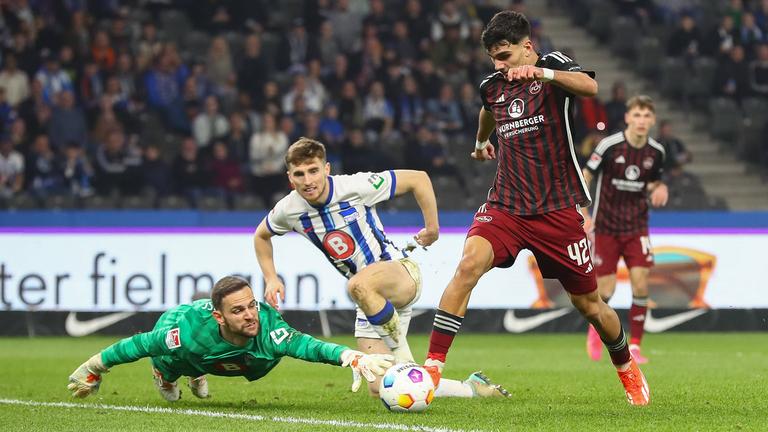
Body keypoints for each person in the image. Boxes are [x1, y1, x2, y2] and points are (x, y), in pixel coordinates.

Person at [421, 10, 650, 406]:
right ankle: (431, 368)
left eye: (505, 56)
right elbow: (487, 110)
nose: (498, 65)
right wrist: (480, 143)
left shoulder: (553, 67)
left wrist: (542, 75)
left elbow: (589, 87)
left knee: (590, 305)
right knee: (467, 266)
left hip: (557, 210)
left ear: (528, 48)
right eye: (493, 58)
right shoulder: (492, 86)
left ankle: (626, 366)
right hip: (505, 206)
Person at [253, 137, 508, 398]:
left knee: (357, 284)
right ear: (290, 178)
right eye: (299, 174)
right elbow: (261, 236)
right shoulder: (288, 209)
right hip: (369, 300)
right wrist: (271, 278)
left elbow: (418, 179)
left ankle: (404, 359)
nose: (308, 180)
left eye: (313, 171)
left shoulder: (355, 186)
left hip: (399, 272)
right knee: (381, 386)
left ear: (327, 169)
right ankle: (471, 389)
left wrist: (432, 228)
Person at [67, 276, 394, 400]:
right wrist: (95, 367)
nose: (250, 314)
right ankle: (170, 375)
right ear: (220, 317)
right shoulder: (188, 332)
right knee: (170, 361)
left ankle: (198, 370)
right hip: (180, 325)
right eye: (239, 311)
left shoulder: (268, 328)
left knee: (207, 358)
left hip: (226, 353)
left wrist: (352, 356)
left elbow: (306, 345)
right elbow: (138, 344)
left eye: (251, 305)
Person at [582, 95, 668, 364]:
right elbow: (586, 175)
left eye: (646, 116)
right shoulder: (610, 145)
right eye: (637, 115)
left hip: (637, 228)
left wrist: (659, 188)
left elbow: (652, 181)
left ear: (652, 121)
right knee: (605, 291)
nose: (641, 120)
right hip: (606, 227)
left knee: (641, 284)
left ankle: (636, 347)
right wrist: (583, 212)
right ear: (628, 118)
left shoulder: (656, 152)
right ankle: (596, 333)